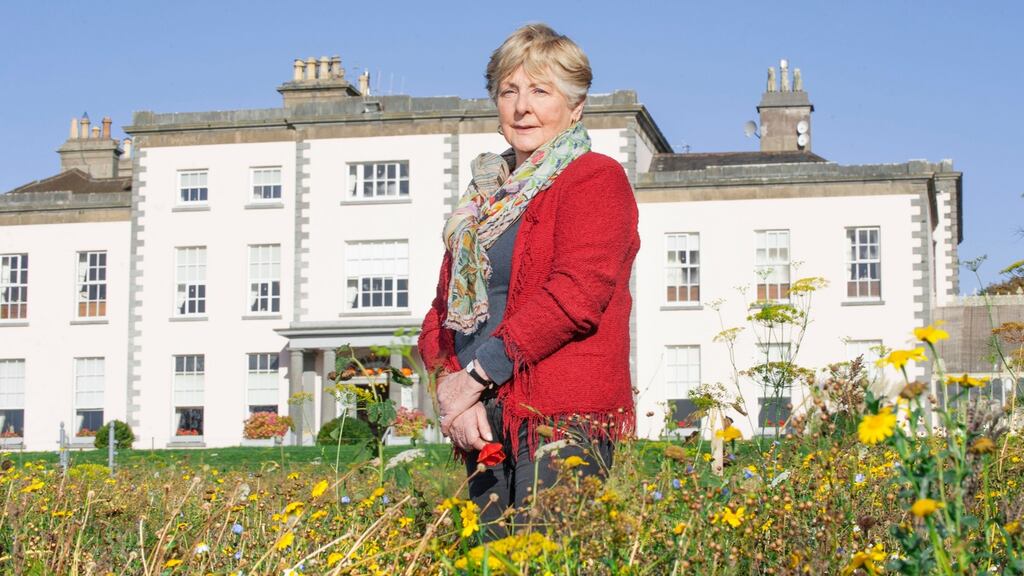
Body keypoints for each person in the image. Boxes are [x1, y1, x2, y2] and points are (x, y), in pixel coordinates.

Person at [417, 23, 639, 538]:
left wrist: (473, 378)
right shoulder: (480, 205)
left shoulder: (593, 178)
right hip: (482, 417)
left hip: (560, 414)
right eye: (509, 91)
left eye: (541, 90)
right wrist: (451, 391)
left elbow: (575, 296)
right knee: (487, 561)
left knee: (550, 559)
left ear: (575, 105)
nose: (522, 107)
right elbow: (439, 313)